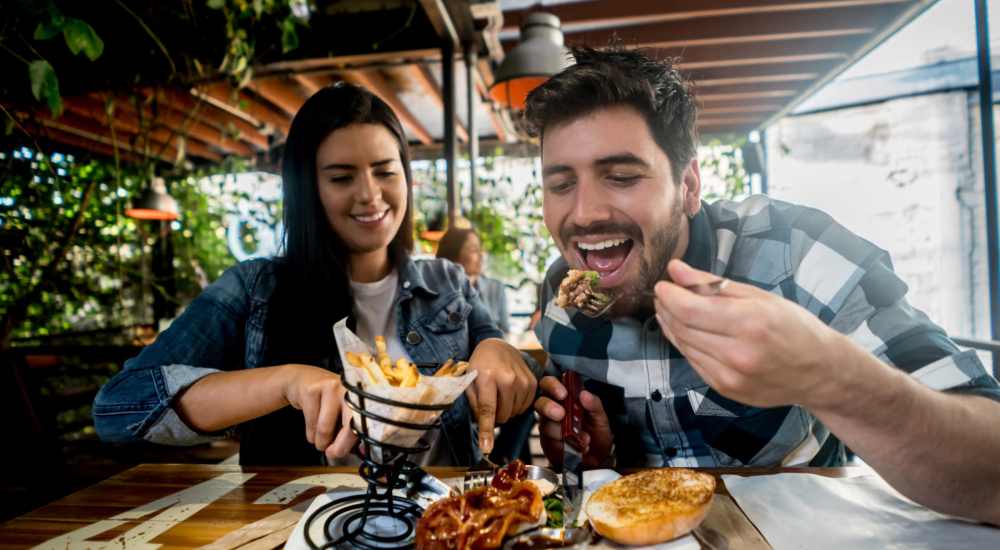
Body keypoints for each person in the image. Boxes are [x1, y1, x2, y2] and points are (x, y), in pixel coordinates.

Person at [528, 47, 1000, 525]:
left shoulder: (797, 253)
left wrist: (827, 373)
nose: (585, 213)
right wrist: (595, 460)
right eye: (561, 184)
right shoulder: (559, 302)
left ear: (689, 185)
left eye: (622, 176)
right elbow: (584, 479)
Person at [93, 83, 538, 466]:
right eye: (342, 178)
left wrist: (497, 346)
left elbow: (493, 348)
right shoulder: (255, 289)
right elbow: (118, 408)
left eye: (386, 171)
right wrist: (286, 382)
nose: (370, 195)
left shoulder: (448, 282)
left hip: (446, 527)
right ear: (309, 189)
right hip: (300, 527)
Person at [435, 227, 510, 334]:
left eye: (480, 249)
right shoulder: (435, 291)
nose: (481, 255)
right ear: (453, 254)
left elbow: (505, 333)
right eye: (474, 250)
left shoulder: (496, 288)